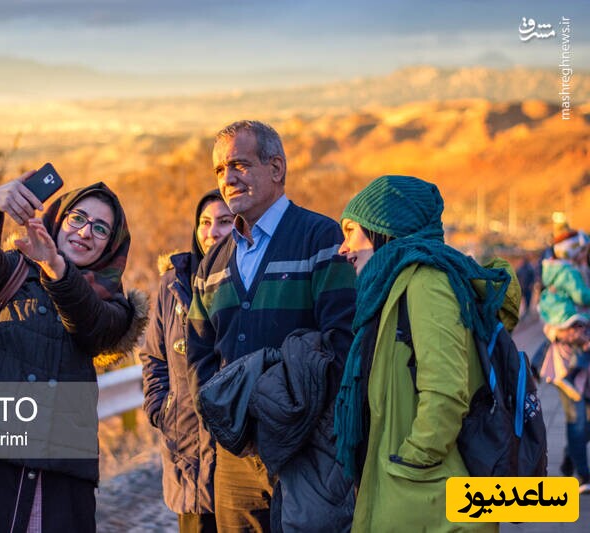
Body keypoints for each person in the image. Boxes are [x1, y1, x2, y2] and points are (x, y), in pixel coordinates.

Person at [186, 120, 356, 531]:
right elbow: (198, 352)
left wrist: (287, 410)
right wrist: (227, 416)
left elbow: (341, 341)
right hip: (236, 460)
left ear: (276, 168)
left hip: (307, 451)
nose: (227, 179)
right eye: (219, 171)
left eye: (239, 165)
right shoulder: (212, 262)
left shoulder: (320, 237)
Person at [0, 174, 147, 532]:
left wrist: (55, 267)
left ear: (112, 246)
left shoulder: (113, 306)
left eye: (101, 229)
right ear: (59, 218)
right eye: (78, 218)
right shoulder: (9, 272)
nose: (86, 232)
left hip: (63, 471)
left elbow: (91, 326)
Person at [334, 175, 508, 532]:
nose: (343, 248)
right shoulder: (391, 286)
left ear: (385, 230)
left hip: (429, 498)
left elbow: (445, 390)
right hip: (410, 494)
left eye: (351, 232)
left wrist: (414, 461)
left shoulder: (426, 281)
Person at [140, 190, 233, 532]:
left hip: (239, 457)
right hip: (188, 456)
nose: (212, 232)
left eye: (224, 222)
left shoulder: (253, 281)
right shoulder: (173, 285)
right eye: (205, 223)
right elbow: (153, 356)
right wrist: (160, 408)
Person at [538, 228, 590, 491]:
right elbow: (550, 323)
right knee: (577, 418)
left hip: (579, 356)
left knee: (583, 420)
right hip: (566, 359)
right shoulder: (570, 273)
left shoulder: (554, 271)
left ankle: (572, 461)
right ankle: (583, 474)